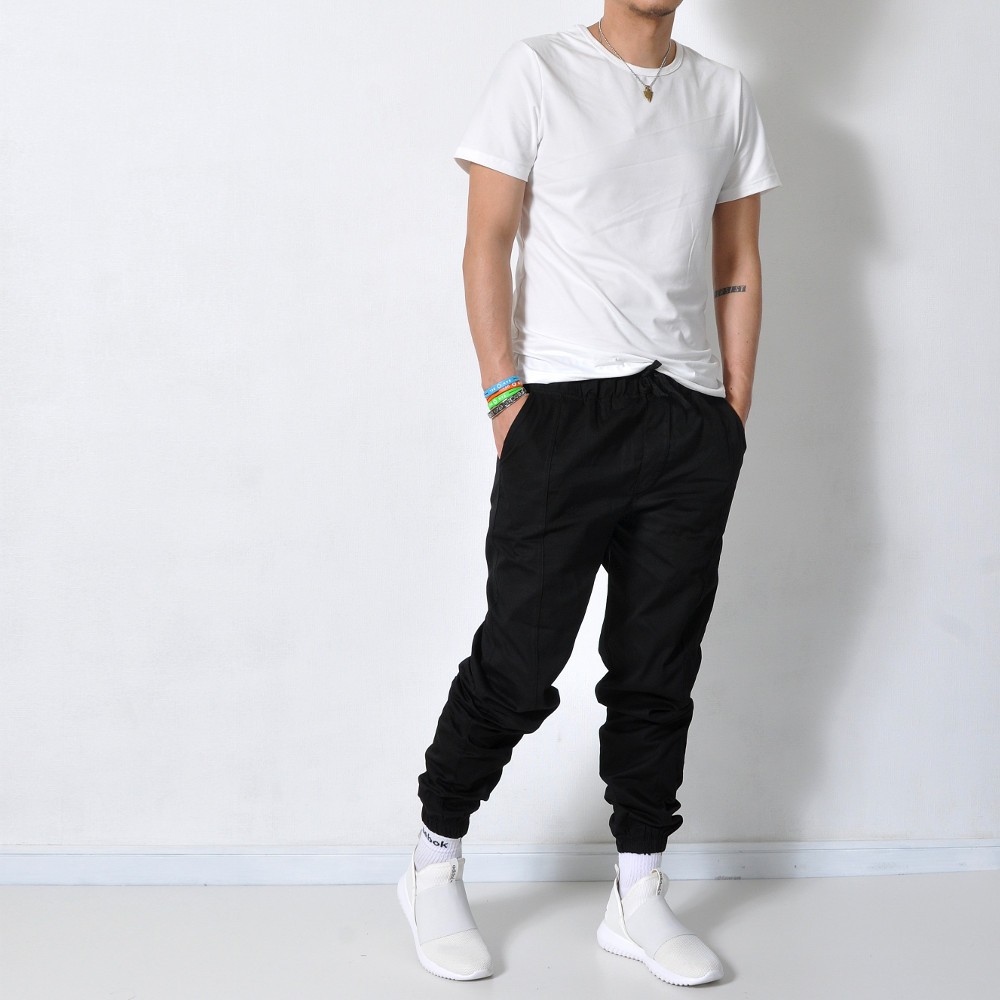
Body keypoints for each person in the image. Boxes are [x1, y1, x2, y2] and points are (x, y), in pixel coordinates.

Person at [396, 0, 781, 986]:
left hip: (688, 416)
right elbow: (487, 240)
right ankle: (434, 857)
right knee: (521, 663)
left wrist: (730, 410)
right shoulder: (538, 71)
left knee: (658, 666)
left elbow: (736, 260)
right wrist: (505, 401)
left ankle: (637, 891)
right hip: (564, 412)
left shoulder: (723, 95)